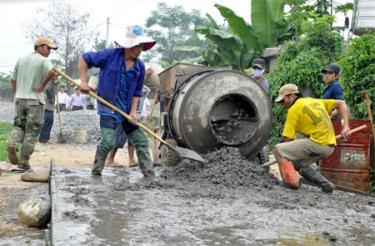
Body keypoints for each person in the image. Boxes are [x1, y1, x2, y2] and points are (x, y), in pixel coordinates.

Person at [78, 25, 156, 177]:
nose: (139, 49)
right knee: (108, 141)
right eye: (136, 45)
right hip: (108, 107)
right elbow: (84, 58)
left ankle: (150, 177)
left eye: (141, 45)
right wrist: (83, 81)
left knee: (141, 141)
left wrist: (133, 112)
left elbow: (137, 92)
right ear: (127, 44)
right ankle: (96, 173)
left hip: (126, 111)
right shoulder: (109, 56)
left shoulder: (139, 67)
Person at [272, 84, 351, 193]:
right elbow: (341, 103)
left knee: (278, 149)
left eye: (283, 100)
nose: (283, 104)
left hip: (318, 143)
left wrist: (281, 156)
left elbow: (287, 139)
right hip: (329, 147)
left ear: (291, 96)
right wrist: (346, 126)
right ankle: (326, 184)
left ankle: (291, 183)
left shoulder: (293, 110)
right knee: (295, 162)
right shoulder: (314, 101)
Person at [8, 37, 58, 171]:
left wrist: (17, 94)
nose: (49, 52)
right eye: (48, 48)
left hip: (20, 99)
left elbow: (13, 79)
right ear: (40, 46)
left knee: (19, 126)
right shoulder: (44, 60)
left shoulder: (21, 59)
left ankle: (13, 143)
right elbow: (53, 73)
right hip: (35, 101)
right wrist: (42, 85)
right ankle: (24, 163)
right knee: (32, 131)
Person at [251, 58, 270, 164]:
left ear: (263, 69)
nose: (256, 70)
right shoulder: (247, 79)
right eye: (255, 68)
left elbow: (262, 99)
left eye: (259, 68)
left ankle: (259, 154)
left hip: (258, 111)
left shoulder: (264, 83)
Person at [39, 78, 57, 143]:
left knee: (49, 121)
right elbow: (47, 89)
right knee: (48, 121)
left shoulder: (53, 82)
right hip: (48, 106)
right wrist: (51, 99)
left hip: (50, 106)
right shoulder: (49, 81)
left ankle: (46, 138)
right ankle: (43, 139)